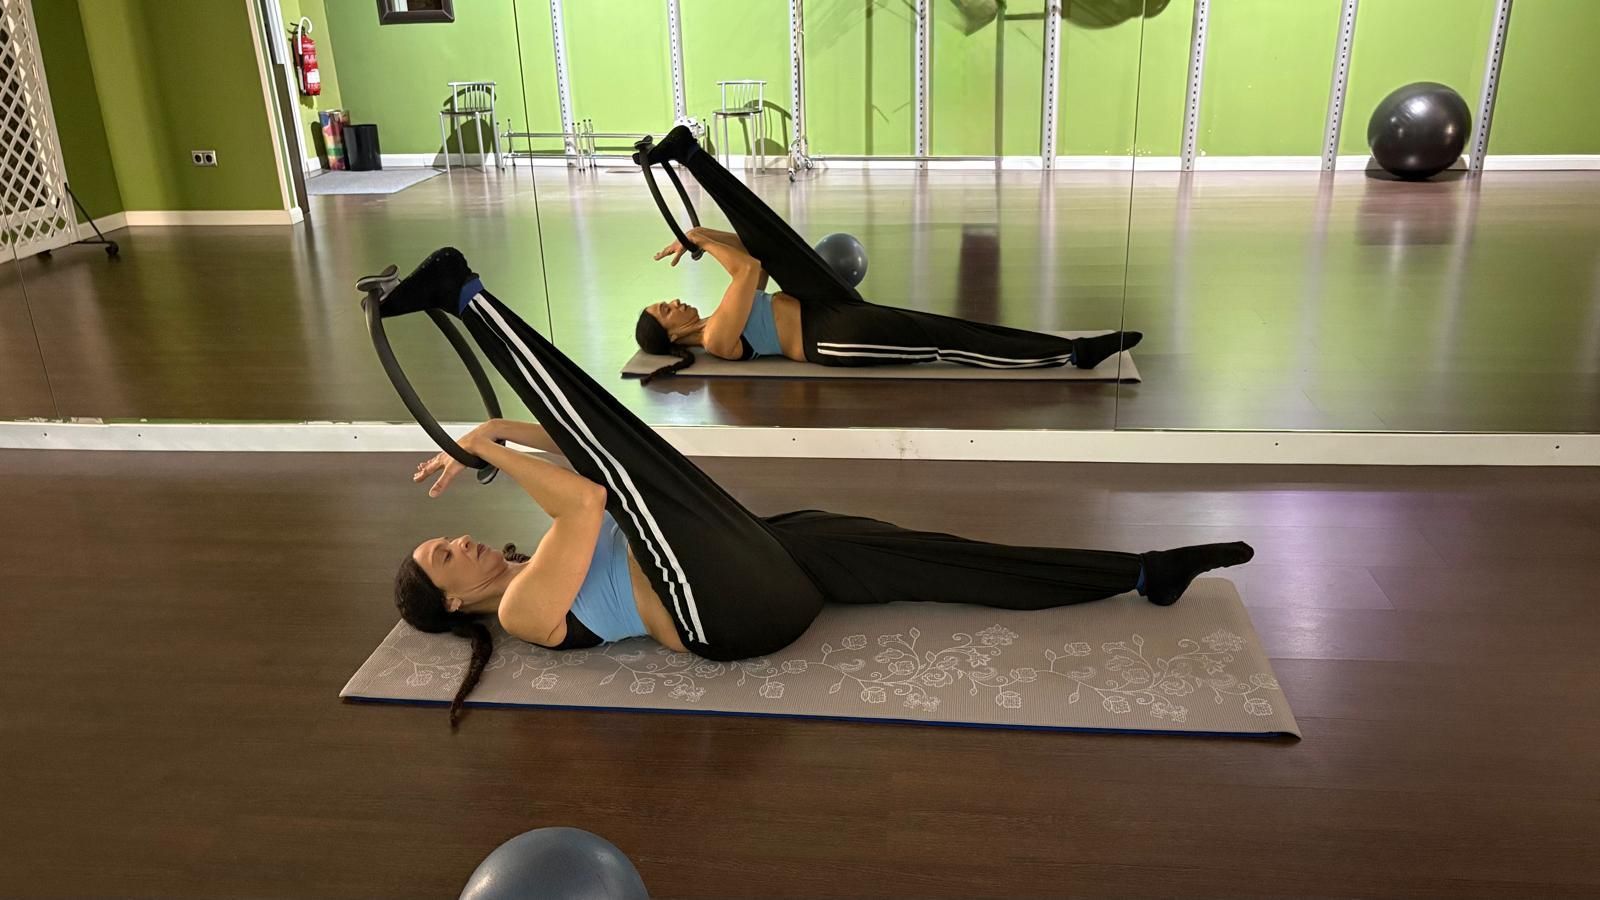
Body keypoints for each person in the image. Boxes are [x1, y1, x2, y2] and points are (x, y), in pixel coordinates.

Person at [380, 247, 1253, 728]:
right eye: (442, 557)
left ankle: (1142, 572)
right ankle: (467, 296)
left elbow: (586, 456)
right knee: (634, 464)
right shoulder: (529, 611)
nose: (455, 541)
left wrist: (493, 436)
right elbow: (595, 495)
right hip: (721, 613)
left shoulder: (536, 556)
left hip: (759, 558)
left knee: (932, 559)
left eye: (442, 538)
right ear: (454, 605)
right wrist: (486, 444)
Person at [633, 125, 1141, 383]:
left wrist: (701, 230)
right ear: (671, 334)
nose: (673, 301)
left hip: (819, 301)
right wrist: (701, 239)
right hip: (831, 337)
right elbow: (750, 269)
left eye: (665, 300)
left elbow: (756, 249)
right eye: (665, 309)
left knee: (775, 236)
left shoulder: (724, 314)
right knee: (944, 339)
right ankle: (1071, 353)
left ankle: (691, 154)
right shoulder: (719, 338)